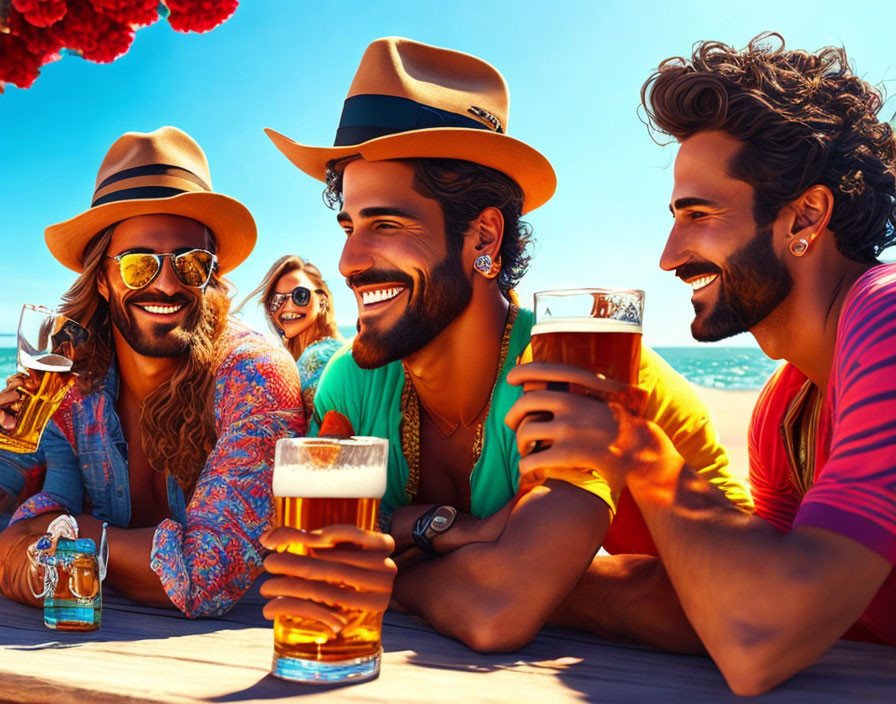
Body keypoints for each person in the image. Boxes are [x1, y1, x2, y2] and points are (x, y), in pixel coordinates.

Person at [259, 37, 750, 651]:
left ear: (483, 236)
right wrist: (464, 538)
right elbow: (322, 558)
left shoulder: (574, 365)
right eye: (350, 226)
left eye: (386, 224)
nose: (350, 261)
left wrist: (400, 566)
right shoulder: (350, 384)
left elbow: (496, 607)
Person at [508, 33, 896, 694]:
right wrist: (523, 573)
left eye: (698, 214)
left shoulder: (886, 320)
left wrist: (635, 445)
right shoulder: (785, 407)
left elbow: (759, 642)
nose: (667, 255)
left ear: (805, 216)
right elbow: (739, 600)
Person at [0, 126, 305, 617]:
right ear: (102, 279)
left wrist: (59, 534)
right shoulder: (71, 387)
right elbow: (24, 522)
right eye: (139, 264)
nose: (167, 284)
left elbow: (205, 578)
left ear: (210, 276)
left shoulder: (255, 378)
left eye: (190, 264)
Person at [235, 255, 342, 417]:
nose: (288, 306)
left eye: (300, 295)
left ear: (322, 300)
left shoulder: (319, 356)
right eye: (277, 300)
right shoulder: (294, 360)